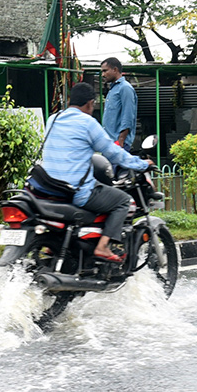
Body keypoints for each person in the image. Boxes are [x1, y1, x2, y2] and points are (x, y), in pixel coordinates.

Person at [31, 82, 151, 263]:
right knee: (123, 201)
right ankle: (103, 247)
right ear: (89, 103)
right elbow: (112, 152)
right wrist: (141, 164)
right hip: (75, 191)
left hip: (51, 189)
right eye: (93, 104)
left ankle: (56, 244)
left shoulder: (53, 118)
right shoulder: (88, 123)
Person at [100, 57, 137, 149]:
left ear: (115, 70)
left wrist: (121, 140)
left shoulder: (125, 88)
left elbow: (128, 116)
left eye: (105, 71)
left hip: (119, 143)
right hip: (109, 142)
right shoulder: (113, 89)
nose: (103, 74)